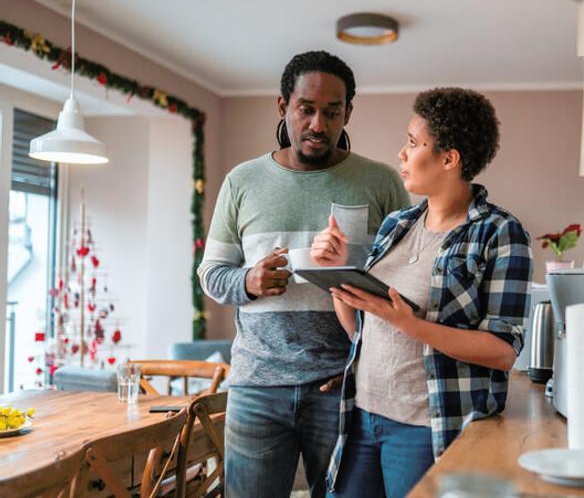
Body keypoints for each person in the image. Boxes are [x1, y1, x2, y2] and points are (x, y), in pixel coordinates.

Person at [197, 51, 410, 498]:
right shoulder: (243, 181)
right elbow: (211, 274)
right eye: (306, 109)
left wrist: (352, 271)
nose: (318, 123)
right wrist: (248, 282)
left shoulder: (381, 182)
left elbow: (409, 279)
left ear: (348, 112)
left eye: (332, 112)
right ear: (283, 107)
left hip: (344, 386)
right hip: (257, 386)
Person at [311, 88, 533, 498]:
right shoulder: (397, 223)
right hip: (361, 416)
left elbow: (503, 350)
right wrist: (336, 277)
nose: (402, 153)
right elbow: (360, 330)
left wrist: (411, 325)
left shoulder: (501, 233)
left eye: (413, 143)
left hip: (426, 427)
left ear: (449, 159)